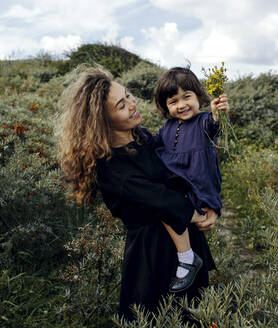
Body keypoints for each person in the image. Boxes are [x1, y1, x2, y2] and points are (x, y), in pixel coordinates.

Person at [57, 66, 218, 321]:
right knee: (156, 316)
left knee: (194, 315)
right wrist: (195, 215)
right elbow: (158, 197)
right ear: (103, 120)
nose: (132, 104)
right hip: (153, 255)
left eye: (128, 95)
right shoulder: (109, 165)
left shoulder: (142, 137)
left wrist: (210, 205)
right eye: (121, 105)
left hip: (185, 238)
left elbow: (184, 169)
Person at [153, 67, 229, 293]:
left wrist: (218, 113)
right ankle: (184, 262)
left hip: (197, 192)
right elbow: (152, 146)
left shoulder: (203, 122)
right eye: (173, 101)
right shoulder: (167, 129)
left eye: (187, 97)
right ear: (166, 106)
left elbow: (214, 126)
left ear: (198, 97)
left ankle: (188, 261)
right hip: (179, 193)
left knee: (171, 209)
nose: (181, 105)